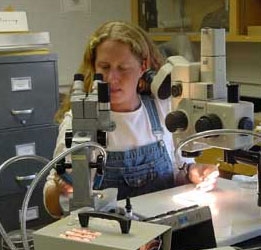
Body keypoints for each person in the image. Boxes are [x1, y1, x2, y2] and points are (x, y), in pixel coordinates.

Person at [43, 21, 218, 218]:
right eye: (105, 67)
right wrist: (60, 190)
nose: (111, 78)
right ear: (94, 66)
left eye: (123, 68)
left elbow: (179, 173)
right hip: (110, 237)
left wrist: (194, 172)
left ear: (143, 66)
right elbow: (53, 207)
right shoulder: (81, 120)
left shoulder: (164, 110)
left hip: (165, 228)